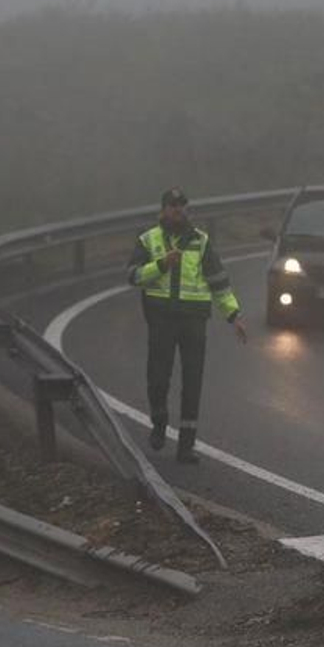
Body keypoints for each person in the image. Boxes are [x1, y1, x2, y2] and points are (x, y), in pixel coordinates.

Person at [126, 188, 247, 463]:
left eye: (183, 206)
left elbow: (218, 281)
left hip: (194, 321)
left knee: (193, 383)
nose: (179, 211)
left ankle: (186, 446)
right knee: (158, 378)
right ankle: (159, 423)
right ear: (163, 210)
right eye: (173, 206)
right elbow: (132, 276)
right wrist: (160, 265)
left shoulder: (200, 242)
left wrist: (233, 315)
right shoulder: (148, 240)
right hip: (161, 320)